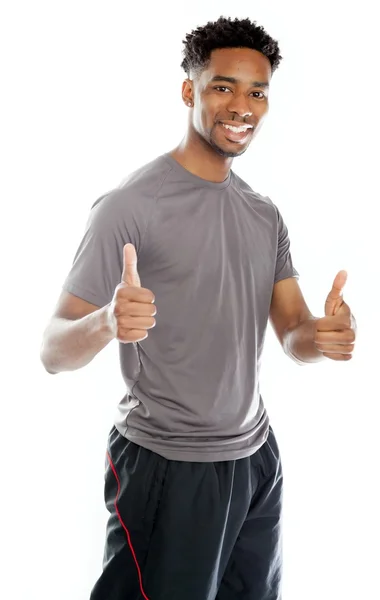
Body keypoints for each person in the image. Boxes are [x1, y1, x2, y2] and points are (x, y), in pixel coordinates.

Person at [40, 15, 357, 600]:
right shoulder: (129, 206)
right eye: (222, 87)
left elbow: (292, 333)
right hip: (167, 464)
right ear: (189, 90)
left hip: (256, 459)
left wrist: (325, 337)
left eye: (256, 91)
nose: (242, 106)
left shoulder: (264, 215)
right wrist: (107, 321)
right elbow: (53, 350)